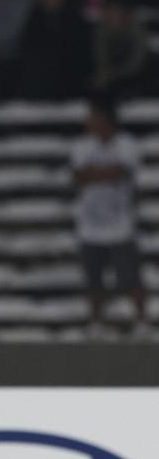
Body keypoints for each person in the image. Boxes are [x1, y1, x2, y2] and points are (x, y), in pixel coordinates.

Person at [71, 95, 148, 337]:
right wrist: (104, 173)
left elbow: (121, 172)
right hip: (90, 225)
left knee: (131, 277)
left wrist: (95, 173)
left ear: (105, 119)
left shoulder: (126, 143)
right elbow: (78, 176)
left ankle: (141, 321)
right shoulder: (81, 145)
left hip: (120, 224)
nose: (88, 121)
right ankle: (96, 321)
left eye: (92, 116)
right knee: (93, 279)